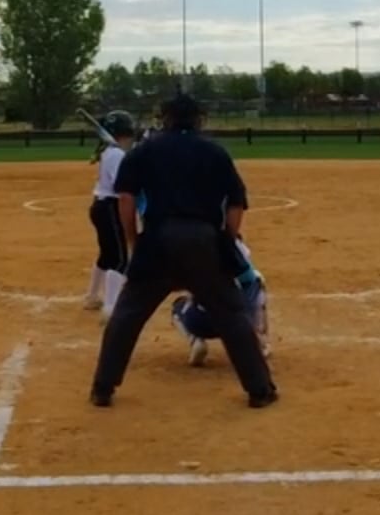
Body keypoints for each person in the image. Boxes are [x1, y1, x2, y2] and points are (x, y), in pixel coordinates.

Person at [91, 92, 277, 409]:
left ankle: (103, 387)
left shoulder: (145, 150)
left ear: (165, 118)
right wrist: (225, 242)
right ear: (199, 119)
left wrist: (134, 239)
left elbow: (126, 199)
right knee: (231, 315)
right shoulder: (215, 151)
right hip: (203, 239)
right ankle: (260, 390)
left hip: (158, 238)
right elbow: (235, 204)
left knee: (127, 315)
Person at [172, 236, 271, 366]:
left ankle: (195, 340)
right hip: (239, 322)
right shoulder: (237, 249)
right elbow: (251, 280)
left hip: (202, 323)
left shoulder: (193, 249)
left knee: (178, 306)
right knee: (257, 284)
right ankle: (258, 338)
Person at [83, 111, 137, 316]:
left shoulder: (111, 152)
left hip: (101, 206)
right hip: (111, 208)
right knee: (120, 259)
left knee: (107, 255)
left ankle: (92, 297)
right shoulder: (116, 154)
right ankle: (111, 307)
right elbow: (120, 185)